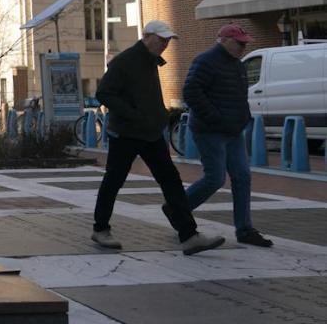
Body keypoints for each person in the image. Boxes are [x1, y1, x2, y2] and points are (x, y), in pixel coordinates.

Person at [92, 20, 224, 255]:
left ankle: (189, 235)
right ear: (147, 36)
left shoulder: (150, 60)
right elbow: (103, 92)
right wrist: (133, 114)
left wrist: (160, 116)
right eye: (161, 39)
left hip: (151, 133)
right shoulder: (125, 61)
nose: (165, 44)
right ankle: (100, 228)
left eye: (167, 40)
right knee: (114, 179)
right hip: (127, 133)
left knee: (171, 180)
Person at [182, 24, 273, 247]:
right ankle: (178, 210)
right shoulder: (205, 61)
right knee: (214, 179)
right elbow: (190, 92)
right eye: (239, 43)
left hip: (233, 131)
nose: (243, 47)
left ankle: (244, 229)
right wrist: (216, 118)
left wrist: (244, 118)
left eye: (245, 43)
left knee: (242, 177)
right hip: (210, 130)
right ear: (223, 40)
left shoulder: (238, 65)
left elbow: (240, 96)